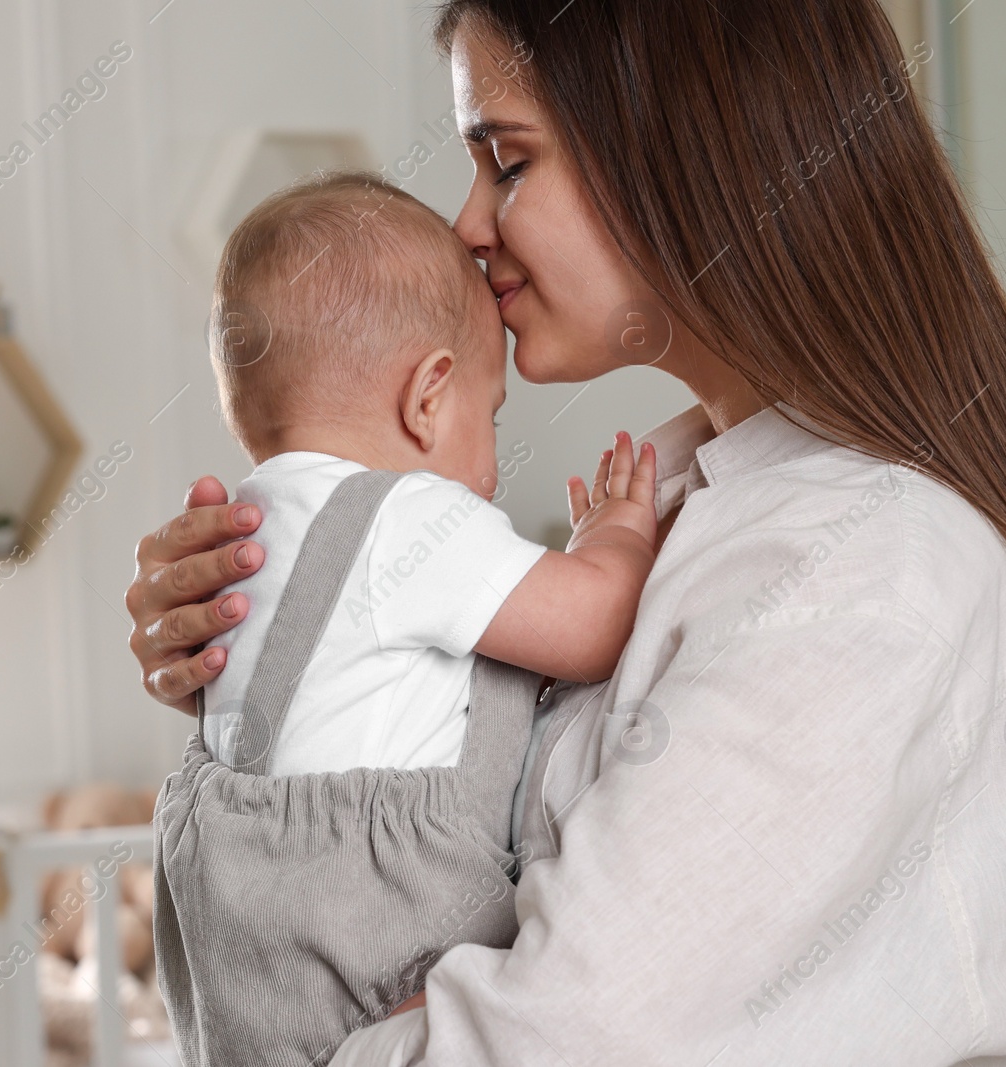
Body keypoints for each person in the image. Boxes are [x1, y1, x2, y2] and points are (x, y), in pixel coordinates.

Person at [125, 1, 1006, 1062]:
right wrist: (258, 637)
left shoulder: (864, 569)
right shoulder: (690, 510)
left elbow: (568, 1037)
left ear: (677, 144)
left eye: (507, 161)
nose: (470, 225)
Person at [150, 172, 659, 1066]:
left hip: (239, 972)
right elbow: (595, 626)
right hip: (376, 943)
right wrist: (611, 535)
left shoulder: (243, 528)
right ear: (428, 397)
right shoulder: (410, 517)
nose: (494, 473)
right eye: (491, 418)